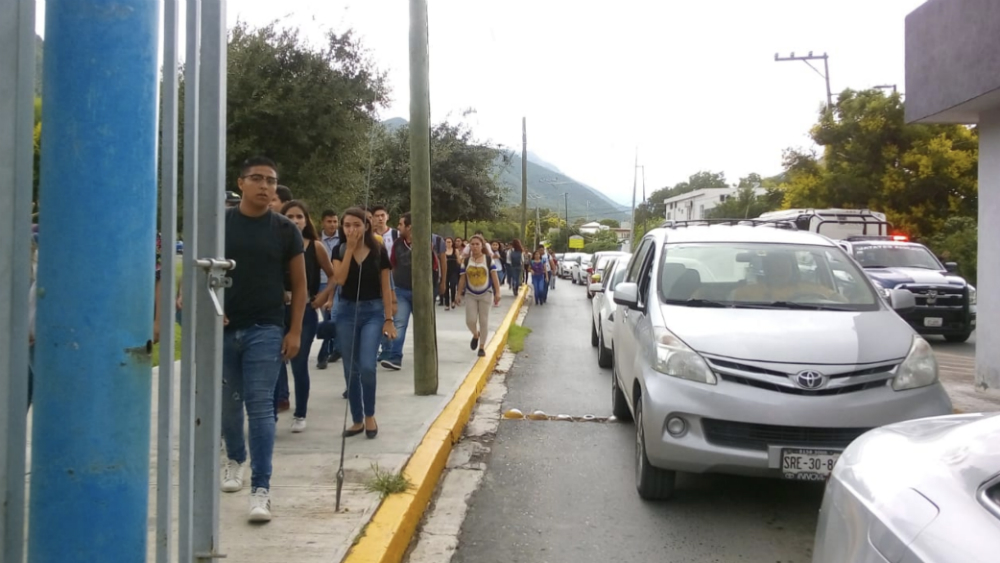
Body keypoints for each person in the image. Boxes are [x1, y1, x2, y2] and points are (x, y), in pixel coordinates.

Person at [220, 156, 307, 523]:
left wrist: (295, 330)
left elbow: (300, 286)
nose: (265, 186)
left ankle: (261, 489)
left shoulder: (286, 230)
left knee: (260, 408)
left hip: (266, 329)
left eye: (271, 180)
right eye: (256, 179)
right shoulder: (219, 224)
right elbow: (199, 271)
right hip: (223, 328)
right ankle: (235, 459)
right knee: (227, 405)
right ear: (241, 183)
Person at [330, 207, 395, 439]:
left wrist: (389, 319)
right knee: (351, 369)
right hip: (346, 313)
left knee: (367, 365)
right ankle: (357, 419)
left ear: (366, 226)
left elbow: (386, 288)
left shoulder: (379, 250)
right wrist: (349, 250)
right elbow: (340, 279)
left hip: (373, 312)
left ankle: (370, 415)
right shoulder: (339, 250)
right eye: (347, 225)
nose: (352, 229)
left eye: (357, 225)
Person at [275, 200, 336, 433]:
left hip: (306, 311)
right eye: (289, 216)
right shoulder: (274, 244)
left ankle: (300, 414)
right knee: (273, 363)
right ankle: (270, 412)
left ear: (306, 220)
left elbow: (333, 276)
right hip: (277, 311)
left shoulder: (316, 247)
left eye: (299, 216)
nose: (295, 221)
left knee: (299, 365)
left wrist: (322, 298)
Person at [380, 212, 447, 370]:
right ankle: (395, 358)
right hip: (401, 289)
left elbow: (437, 265)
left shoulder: (428, 243)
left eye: (401, 224)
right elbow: (392, 266)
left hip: (423, 291)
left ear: (410, 227)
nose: (398, 227)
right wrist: (391, 289)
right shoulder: (397, 244)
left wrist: (440, 284)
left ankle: (427, 357)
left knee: (425, 325)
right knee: (400, 323)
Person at [730, 251, 842, 302]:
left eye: (784, 265)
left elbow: (840, 301)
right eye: (776, 265)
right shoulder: (745, 292)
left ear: (792, 268)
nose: (781, 269)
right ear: (767, 268)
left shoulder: (812, 288)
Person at [456, 235, 501, 357]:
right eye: (472, 244)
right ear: (469, 246)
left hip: (486, 294)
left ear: (482, 246)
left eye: (477, 244)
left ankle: (482, 347)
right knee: (470, 320)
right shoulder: (466, 261)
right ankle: (476, 334)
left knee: (483, 320)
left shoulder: (488, 260)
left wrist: (498, 292)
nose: (475, 246)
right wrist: (458, 294)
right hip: (470, 294)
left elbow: (494, 277)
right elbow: (462, 279)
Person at [316, 210, 342, 369]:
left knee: (336, 317)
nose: (332, 225)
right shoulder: (317, 240)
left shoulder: (342, 239)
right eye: (329, 221)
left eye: (334, 221)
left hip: (340, 282)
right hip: (321, 283)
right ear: (322, 223)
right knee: (327, 318)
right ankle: (327, 352)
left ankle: (330, 351)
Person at [443, 237, 460, 310]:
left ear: (452, 243)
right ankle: (447, 304)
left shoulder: (455, 251)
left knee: (453, 285)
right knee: (445, 286)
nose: (448, 243)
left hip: (454, 270)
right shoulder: (443, 251)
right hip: (446, 271)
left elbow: (458, 261)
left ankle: (453, 300)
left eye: (450, 242)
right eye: (447, 242)